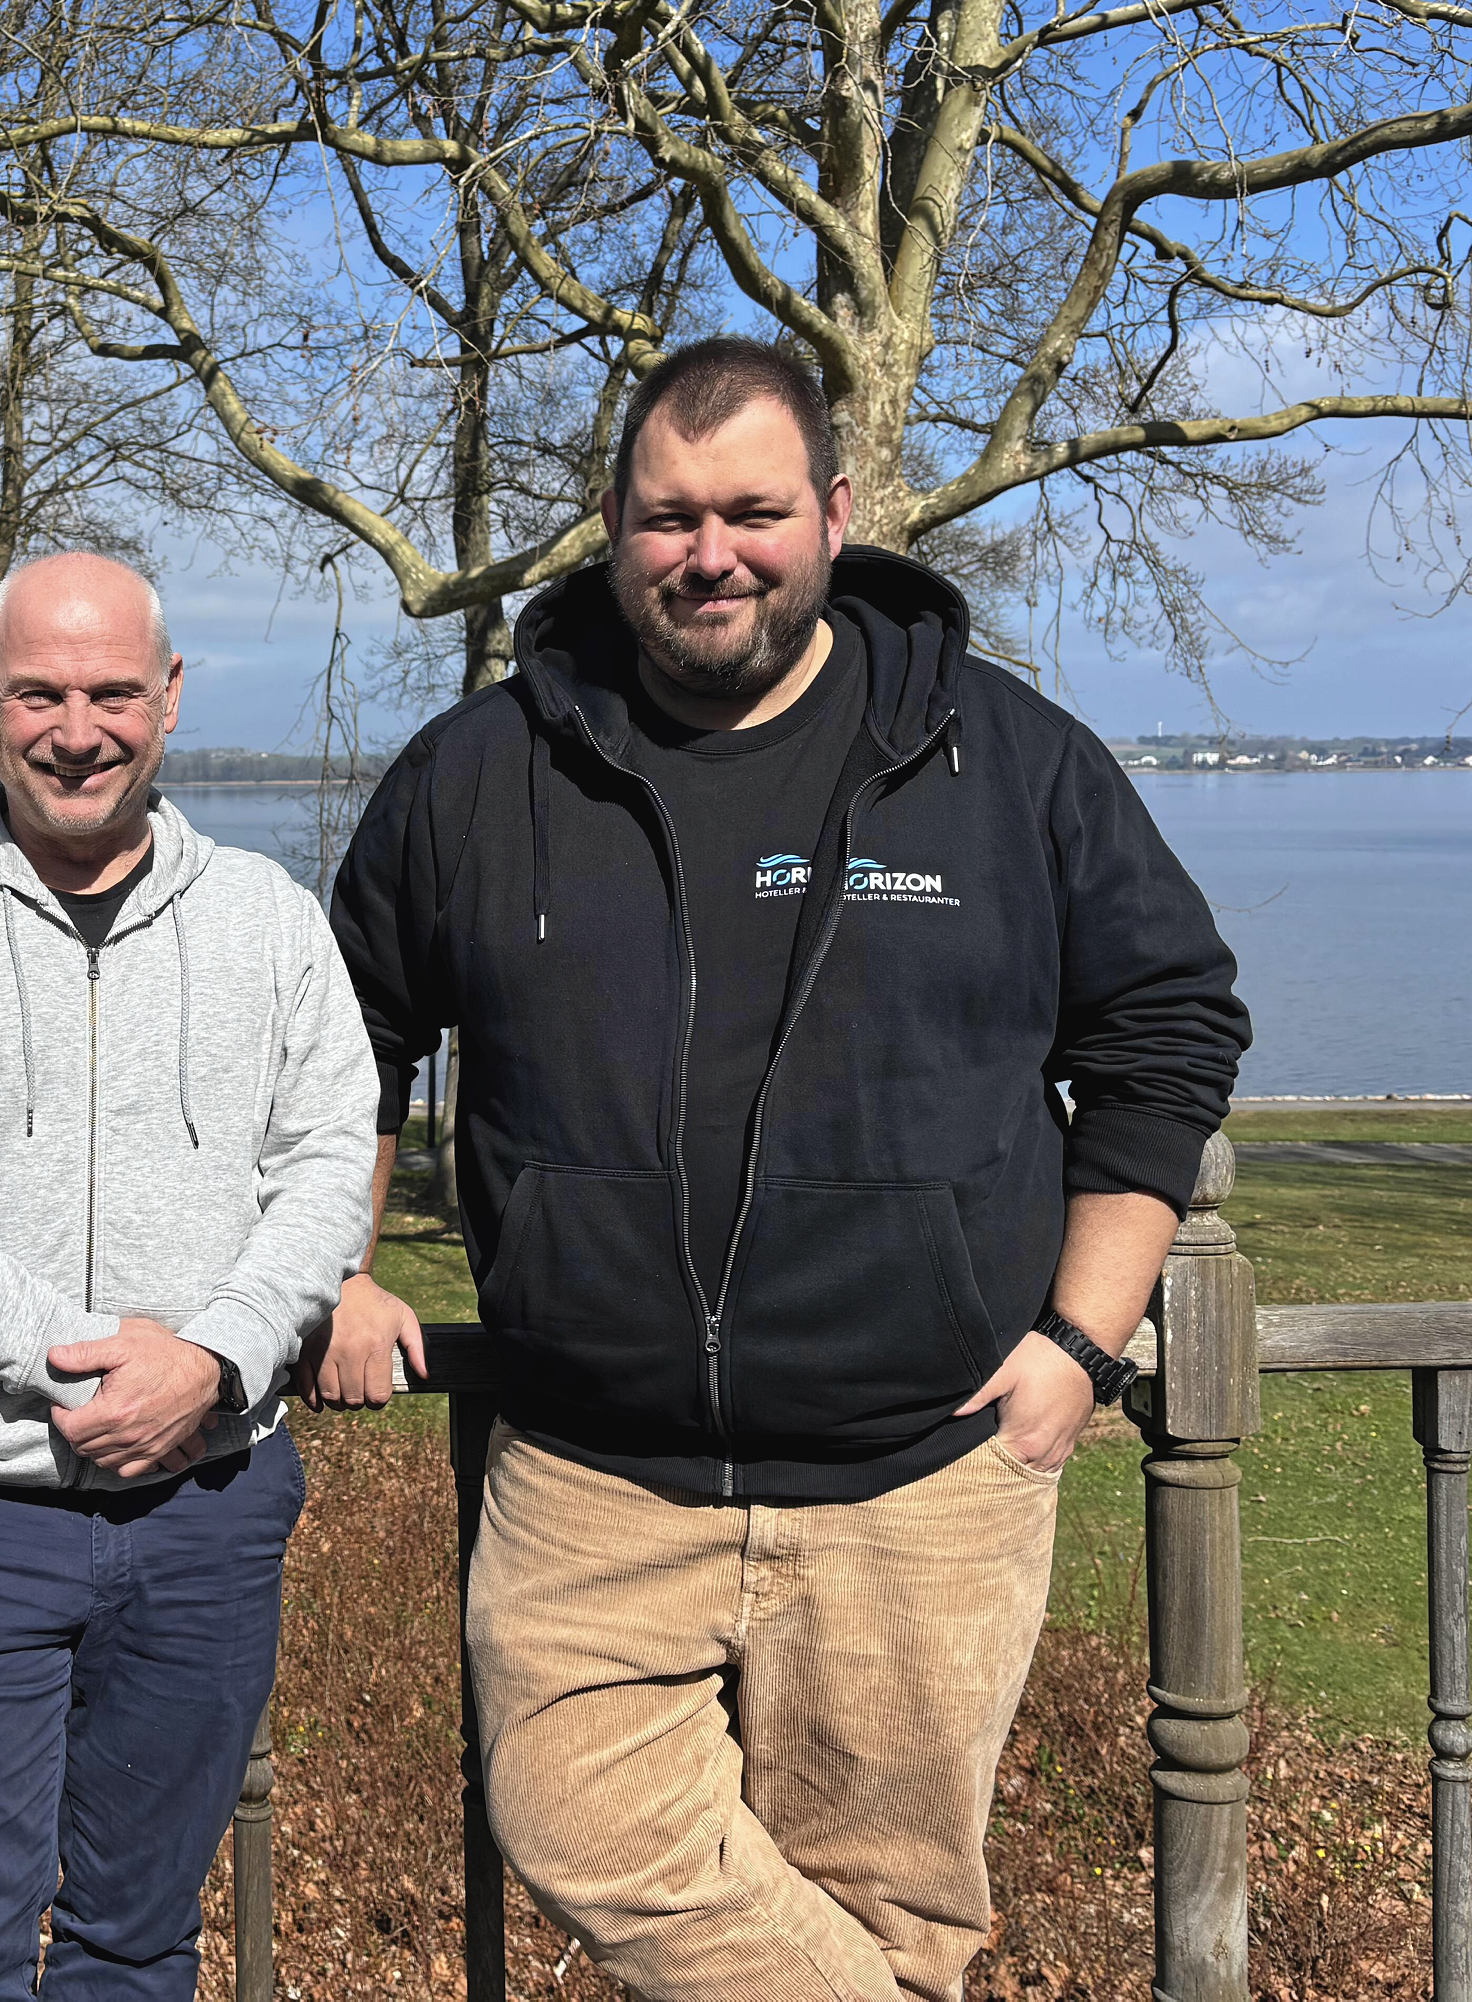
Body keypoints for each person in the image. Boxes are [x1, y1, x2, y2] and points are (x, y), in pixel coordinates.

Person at [318, 339, 1250, 2002]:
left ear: (832, 513)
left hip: (926, 1479)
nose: (710, 554)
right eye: (669, 517)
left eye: (751, 510)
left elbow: (1166, 1030)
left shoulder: (1004, 760)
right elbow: (340, 1038)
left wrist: (1080, 1346)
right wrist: (339, 1261)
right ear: (612, 525)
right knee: (577, 1817)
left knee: (899, 1922)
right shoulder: (481, 773)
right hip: (592, 1478)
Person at [0, 552, 380, 2002]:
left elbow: (324, 1162)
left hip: (209, 1510)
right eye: (38, 693)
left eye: (112, 691)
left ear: (168, 700)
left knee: (136, 1945)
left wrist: (218, 1358)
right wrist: (81, 1352)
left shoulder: (268, 917)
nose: (77, 727)